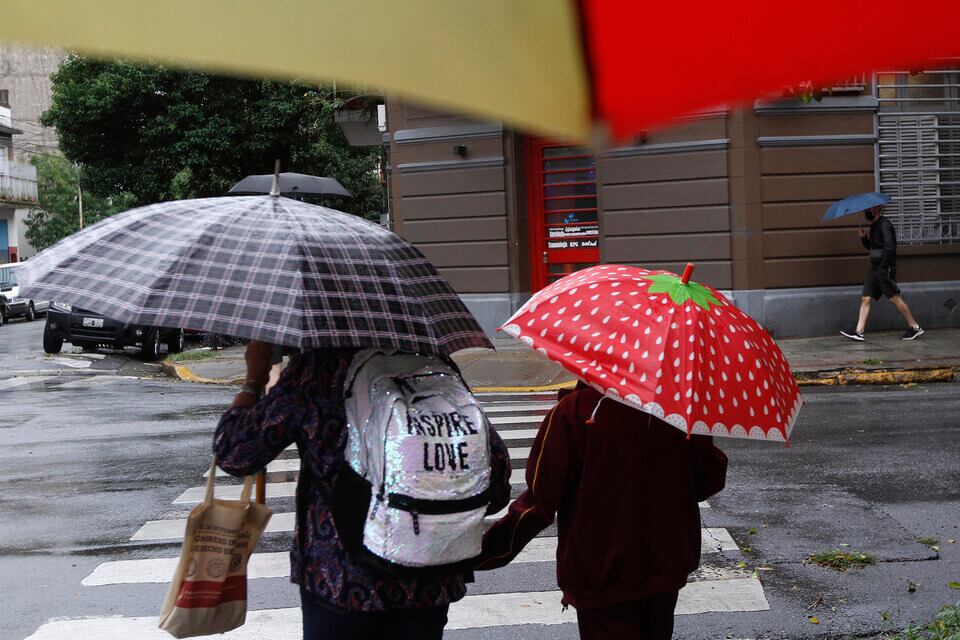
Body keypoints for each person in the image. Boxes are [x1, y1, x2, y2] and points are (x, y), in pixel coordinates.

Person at [213, 341, 512, 640]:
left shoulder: (316, 369)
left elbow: (235, 453)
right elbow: (495, 480)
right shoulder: (435, 363)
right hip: (429, 578)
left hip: (340, 579)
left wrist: (254, 378)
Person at [476, 382, 728, 640]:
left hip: (600, 577)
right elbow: (710, 478)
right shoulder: (676, 407)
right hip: (663, 567)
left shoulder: (574, 411)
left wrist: (481, 553)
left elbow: (537, 505)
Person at [841, 205, 923, 341]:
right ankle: (859, 332)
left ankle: (915, 327)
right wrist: (864, 238)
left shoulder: (884, 224)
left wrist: (884, 267)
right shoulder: (875, 225)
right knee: (865, 298)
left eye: (869, 210)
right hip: (874, 268)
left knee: (894, 298)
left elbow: (890, 246)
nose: (867, 212)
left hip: (882, 268)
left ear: (877, 209)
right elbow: (872, 248)